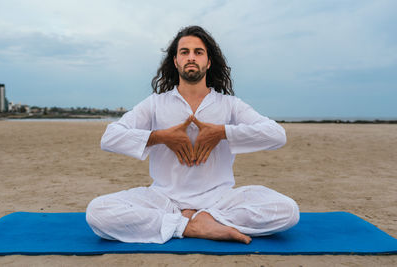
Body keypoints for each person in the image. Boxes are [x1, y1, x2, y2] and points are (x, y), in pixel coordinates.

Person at [86, 25, 299, 244]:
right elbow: (109, 138)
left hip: (220, 199)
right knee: (97, 211)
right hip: (164, 199)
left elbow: (276, 135)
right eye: (184, 52)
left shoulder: (230, 105)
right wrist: (160, 137)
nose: (191, 57)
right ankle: (189, 225)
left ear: (208, 62)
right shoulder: (155, 104)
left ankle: (203, 219)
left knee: (288, 210)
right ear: (175, 61)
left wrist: (222, 132)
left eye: (198, 52)